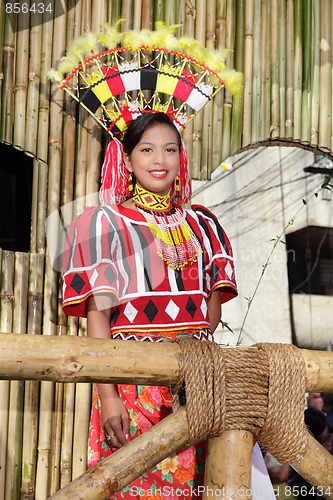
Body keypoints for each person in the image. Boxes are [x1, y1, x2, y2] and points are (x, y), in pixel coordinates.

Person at [62, 111, 238, 498]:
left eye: (169, 150)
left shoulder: (204, 225)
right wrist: (109, 397)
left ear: (181, 157)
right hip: (132, 388)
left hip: (199, 389)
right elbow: (99, 317)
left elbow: (211, 311)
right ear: (125, 160)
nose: (160, 160)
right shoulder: (104, 223)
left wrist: (197, 363)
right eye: (147, 149)